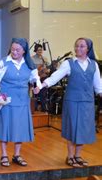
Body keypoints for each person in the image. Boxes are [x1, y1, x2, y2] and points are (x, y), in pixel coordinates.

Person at [37, 38, 102, 167]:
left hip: (87, 102)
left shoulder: (93, 65)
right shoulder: (69, 63)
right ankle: (70, 156)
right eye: (76, 46)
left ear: (88, 49)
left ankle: (78, 156)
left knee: (83, 129)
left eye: (82, 46)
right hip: (72, 101)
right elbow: (56, 76)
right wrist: (43, 85)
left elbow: (98, 85)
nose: (78, 48)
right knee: (72, 128)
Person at [0, 38, 41, 167]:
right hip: (6, 100)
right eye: (12, 49)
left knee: (19, 128)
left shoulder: (29, 64)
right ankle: (4, 154)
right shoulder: (3, 62)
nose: (14, 52)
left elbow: (35, 79)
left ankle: (17, 155)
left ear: (24, 51)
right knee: (5, 127)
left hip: (22, 101)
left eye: (17, 50)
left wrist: (37, 86)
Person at [31, 43, 50, 111]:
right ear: (35, 50)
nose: (40, 51)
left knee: (43, 94)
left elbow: (48, 70)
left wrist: (47, 70)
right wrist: (39, 70)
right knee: (35, 94)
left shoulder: (44, 59)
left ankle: (43, 108)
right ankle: (35, 107)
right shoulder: (32, 58)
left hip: (43, 77)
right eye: (38, 50)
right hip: (36, 78)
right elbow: (31, 69)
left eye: (41, 50)